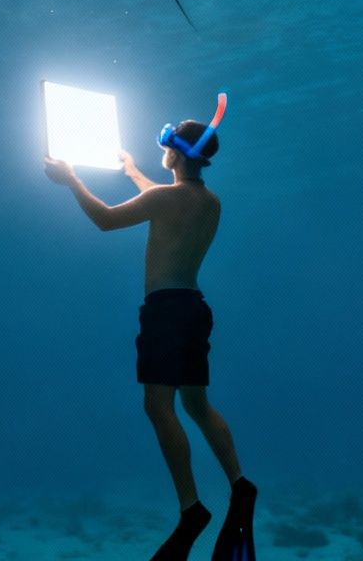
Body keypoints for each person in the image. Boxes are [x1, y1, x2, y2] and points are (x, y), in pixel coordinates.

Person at [44, 101, 255, 561]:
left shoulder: (166, 199)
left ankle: (191, 509)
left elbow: (105, 219)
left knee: (158, 407)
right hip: (195, 308)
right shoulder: (209, 202)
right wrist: (133, 171)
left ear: (175, 153)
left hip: (164, 311)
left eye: (167, 141)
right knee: (197, 404)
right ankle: (240, 484)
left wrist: (71, 179)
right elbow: (168, 203)